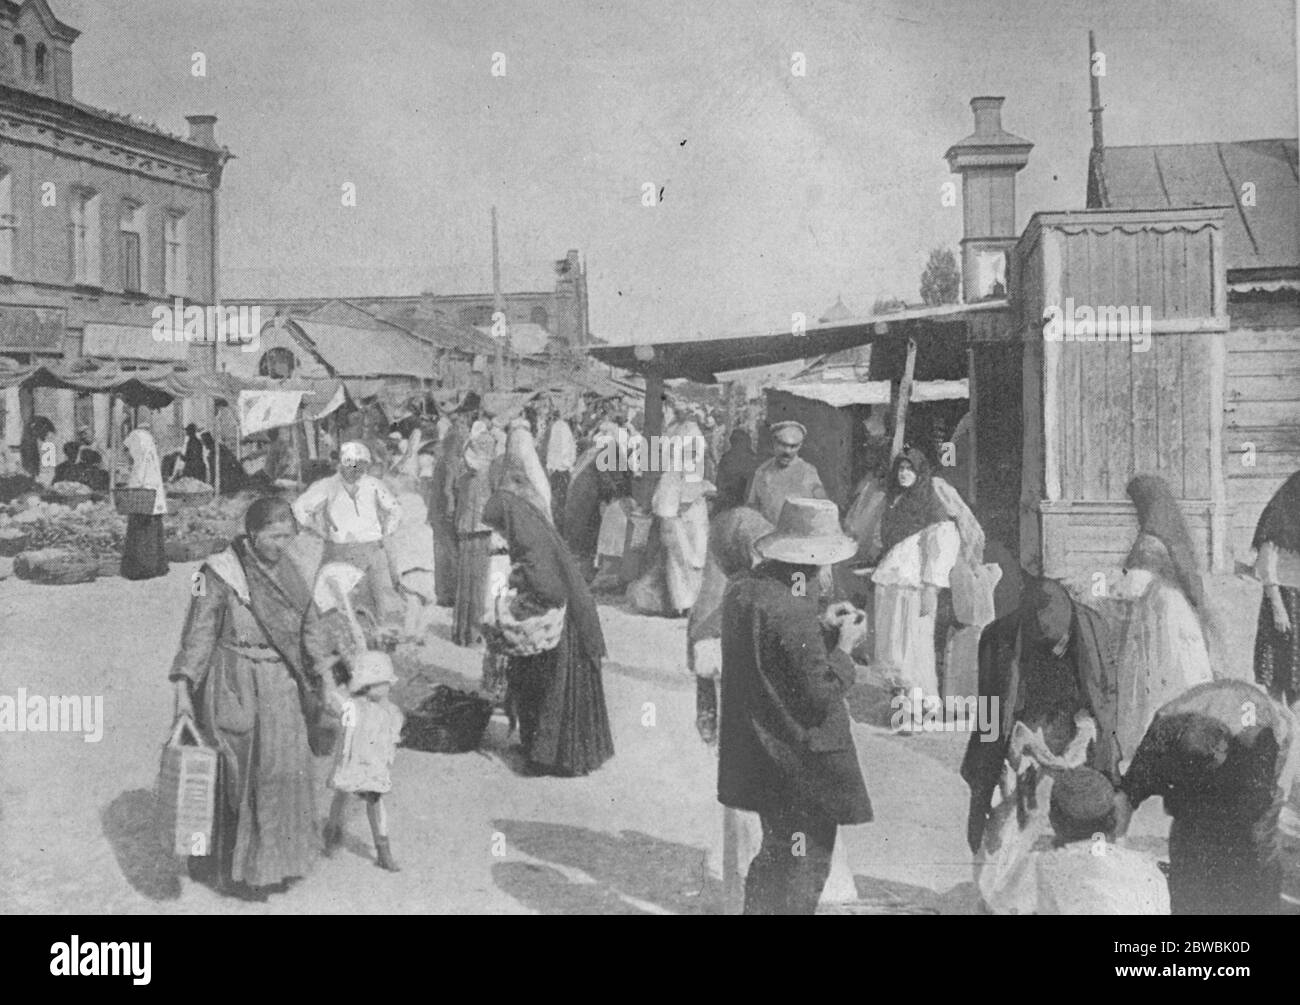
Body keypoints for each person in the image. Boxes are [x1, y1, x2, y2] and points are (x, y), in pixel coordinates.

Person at [170, 497, 346, 898]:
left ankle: (277, 866)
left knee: (282, 772)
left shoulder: (291, 571)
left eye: (288, 536)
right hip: (234, 680)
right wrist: (183, 686)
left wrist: (327, 681)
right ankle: (232, 872)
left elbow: (310, 628)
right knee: (238, 772)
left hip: (281, 686)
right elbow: (198, 632)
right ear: (253, 532)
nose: (282, 544)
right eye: (274, 536)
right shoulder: (218, 572)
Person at [718, 497, 871, 914]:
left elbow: (772, 655)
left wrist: (819, 626)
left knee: (775, 855)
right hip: (804, 764)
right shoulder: (792, 610)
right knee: (804, 866)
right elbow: (820, 694)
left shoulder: (743, 592)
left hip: (762, 756)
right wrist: (843, 648)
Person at [481, 425, 614, 777]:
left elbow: (549, 586)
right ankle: (541, 749)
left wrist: (516, 584)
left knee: (553, 690)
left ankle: (550, 758)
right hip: (566, 606)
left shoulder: (523, 528)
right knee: (537, 683)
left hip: (561, 618)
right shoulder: (529, 510)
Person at [962, 576, 1122, 854]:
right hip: (1023, 726)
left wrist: (1086, 730)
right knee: (1011, 818)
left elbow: (1105, 696)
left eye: (1059, 642)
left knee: (1086, 808)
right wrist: (993, 767)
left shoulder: (1094, 629)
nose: (1052, 649)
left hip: (1074, 723)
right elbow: (990, 709)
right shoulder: (997, 637)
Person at [1117, 679, 1294, 915]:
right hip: (1200, 810)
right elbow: (1126, 796)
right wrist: (1110, 858)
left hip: (1256, 768)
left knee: (1251, 860)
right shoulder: (1162, 734)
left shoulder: (1258, 738)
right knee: (1192, 862)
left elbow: (1259, 816)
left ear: (1223, 749)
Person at [1115, 475, 1215, 766]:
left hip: (1157, 615)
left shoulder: (1149, 540)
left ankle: (1151, 749)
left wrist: (1110, 588)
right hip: (1180, 613)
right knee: (1182, 675)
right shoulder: (1174, 535)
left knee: (1153, 680)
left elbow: (1132, 587)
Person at [988, 767, 1169, 915]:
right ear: (1112, 821)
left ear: (1054, 821)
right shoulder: (1147, 870)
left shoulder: (1040, 866)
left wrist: (1028, 833)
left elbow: (999, 904)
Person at [871, 448, 960, 723]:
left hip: (914, 587)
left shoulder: (931, 506)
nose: (904, 473)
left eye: (910, 469)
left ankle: (915, 709)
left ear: (920, 473)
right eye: (900, 468)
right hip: (892, 584)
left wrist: (932, 586)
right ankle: (910, 704)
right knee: (893, 646)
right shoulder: (895, 502)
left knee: (912, 646)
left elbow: (942, 545)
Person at [292, 441, 403, 628]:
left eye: (363, 466)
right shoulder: (327, 485)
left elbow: (395, 510)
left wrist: (386, 531)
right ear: (343, 465)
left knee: (375, 601)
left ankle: (375, 641)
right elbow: (299, 508)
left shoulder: (373, 485)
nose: (359, 471)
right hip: (339, 550)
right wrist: (316, 528)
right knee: (336, 601)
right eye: (354, 466)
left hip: (371, 549)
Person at [323, 651, 404, 872]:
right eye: (382, 684)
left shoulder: (388, 711)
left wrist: (388, 756)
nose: (387, 688)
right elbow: (335, 706)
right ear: (367, 686)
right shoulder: (352, 707)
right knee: (341, 795)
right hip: (352, 762)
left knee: (375, 801)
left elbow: (392, 736)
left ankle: (383, 849)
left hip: (374, 765)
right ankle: (331, 832)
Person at [1253, 470, 1300, 707]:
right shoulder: (1277, 521)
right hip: (1285, 600)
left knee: (1297, 682)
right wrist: (1278, 608)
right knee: (1279, 679)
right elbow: (1265, 568)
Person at [452, 431, 497, 647]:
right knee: (478, 585)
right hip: (482, 533)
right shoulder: (491, 476)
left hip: (465, 531)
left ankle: (462, 632)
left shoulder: (464, 478)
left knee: (465, 585)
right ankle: (474, 634)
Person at [744, 420, 826, 525]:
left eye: (793, 446)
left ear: (800, 446)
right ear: (774, 443)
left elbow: (824, 509)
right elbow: (751, 511)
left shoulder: (809, 472)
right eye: (783, 445)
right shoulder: (762, 472)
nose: (787, 452)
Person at [120, 422, 170, 580]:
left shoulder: (140, 462)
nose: (128, 455)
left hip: (142, 498)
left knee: (141, 533)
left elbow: (138, 480)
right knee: (153, 531)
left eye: (130, 451)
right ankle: (156, 565)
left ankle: (142, 567)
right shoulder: (149, 453)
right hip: (152, 496)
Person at [428, 414, 467, 607]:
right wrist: (452, 508)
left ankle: (443, 593)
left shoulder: (442, 458)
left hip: (437, 513)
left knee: (442, 553)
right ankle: (450, 594)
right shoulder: (452, 459)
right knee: (450, 553)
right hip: (446, 514)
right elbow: (447, 489)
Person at [542, 400, 576, 532]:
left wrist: (551, 466)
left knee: (556, 501)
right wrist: (568, 465)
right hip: (562, 470)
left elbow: (554, 449)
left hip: (556, 470)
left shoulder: (557, 427)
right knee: (561, 501)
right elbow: (566, 449)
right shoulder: (562, 427)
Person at [712, 428, 762, 514]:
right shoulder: (752, 459)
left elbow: (719, 484)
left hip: (730, 503)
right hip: (739, 503)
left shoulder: (726, 458)